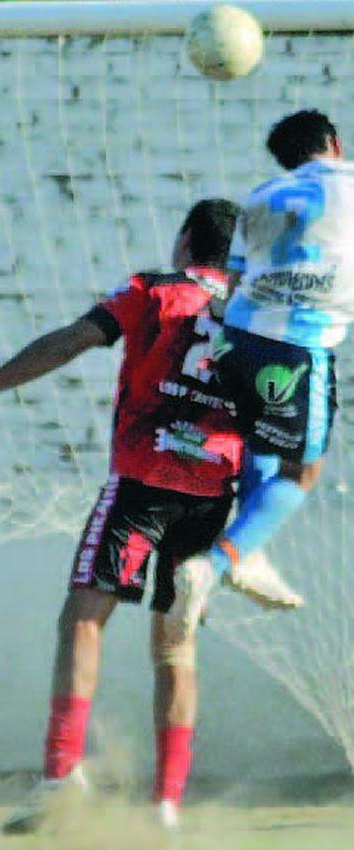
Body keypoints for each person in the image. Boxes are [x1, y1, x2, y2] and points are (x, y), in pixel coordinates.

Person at [0, 200, 295, 833]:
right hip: (213, 493)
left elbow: (70, 342)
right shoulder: (255, 312)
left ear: (185, 241)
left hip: (142, 482)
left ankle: (59, 775)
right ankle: (166, 807)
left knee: (83, 617)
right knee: (176, 645)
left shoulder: (155, 291)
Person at [171, 109, 353, 634]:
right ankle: (214, 566)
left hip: (236, 341)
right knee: (303, 472)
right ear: (335, 143)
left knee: (261, 441)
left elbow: (236, 277)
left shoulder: (262, 195)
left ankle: (248, 554)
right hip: (297, 350)